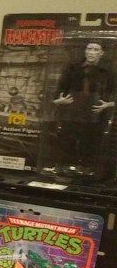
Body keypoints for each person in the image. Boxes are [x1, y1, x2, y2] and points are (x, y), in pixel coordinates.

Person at [51, 41, 115, 176]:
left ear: (102, 53)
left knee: (90, 141)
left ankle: (87, 169)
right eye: (89, 49)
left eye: (96, 50)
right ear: (85, 51)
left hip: (95, 112)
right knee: (66, 139)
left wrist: (109, 104)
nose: (92, 52)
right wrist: (57, 100)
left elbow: (113, 92)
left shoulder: (108, 72)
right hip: (72, 109)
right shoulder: (72, 67)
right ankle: (63, 167)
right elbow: (61, 87)